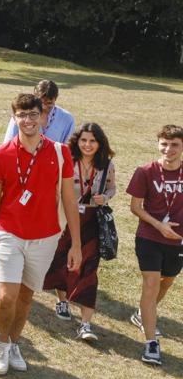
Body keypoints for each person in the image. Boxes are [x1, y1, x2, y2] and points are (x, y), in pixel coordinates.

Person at [0, 93, 81, 376]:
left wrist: (75, 243)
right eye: (21, 115)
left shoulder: (61, 152)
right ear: (14, 118)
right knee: (8, 295)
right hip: (8, 232)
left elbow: (68, 200)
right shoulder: (0, 155)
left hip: (46, 236)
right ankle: (1, 343)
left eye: (33, 114)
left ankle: (14, 343)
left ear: (44, 117)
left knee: (26, 296)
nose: (27, 120)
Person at [44, 123, 116, 342]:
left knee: (89, 268)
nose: (87, 145)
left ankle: (86, 324)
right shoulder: (68, 161)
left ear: (99, 143)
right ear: (77, 141)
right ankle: (62, 301)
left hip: (92, 221)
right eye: (84, 140)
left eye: (92, 141)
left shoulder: (107, 165)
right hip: (66, 218)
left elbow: (112, 187)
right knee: (61, 261)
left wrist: (106, 197)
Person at [126, 124, 183, 366]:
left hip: (178, 241)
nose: (168, 149)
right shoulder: (145, 171)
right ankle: (151, 343)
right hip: (149, 237)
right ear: (158, 143)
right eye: (164, 144)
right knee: (150, 284)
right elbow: (135, 207)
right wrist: (159, 226)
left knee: (167, 280)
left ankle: (142, 314)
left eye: (174, 145)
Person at [3, 79, 75, 144]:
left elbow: (68, 150)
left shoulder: (67, 119)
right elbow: (8, 143)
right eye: (41, 102)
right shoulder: (21, 115)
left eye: (49, 103)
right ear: (34, 94)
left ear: (56, 98)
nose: (44, 107)